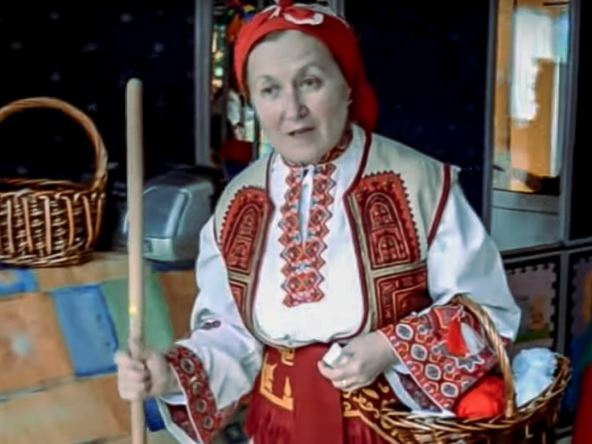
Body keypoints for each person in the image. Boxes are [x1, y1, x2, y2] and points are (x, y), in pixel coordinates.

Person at [115, 1, 521, 443]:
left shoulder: (421, 183)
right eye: (269, 90)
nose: (293, 109)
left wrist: (391, 347)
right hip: (279, 430)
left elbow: (488, 315)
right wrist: (169, 373)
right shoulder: (238, 204)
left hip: (390, 430)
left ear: (347, 86)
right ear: (251, 102)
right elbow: (230, 337)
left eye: (310, 82)